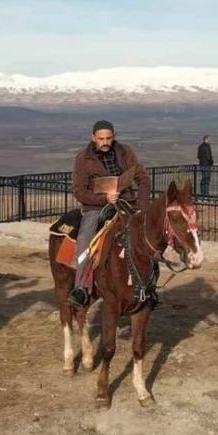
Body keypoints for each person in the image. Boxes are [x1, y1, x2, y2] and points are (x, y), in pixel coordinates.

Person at [67, 119, 151, 307]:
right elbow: (79, 191)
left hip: (127, 203)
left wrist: (142, 208)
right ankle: (80, 287)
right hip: (97, 209)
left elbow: (143, 178)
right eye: (101, 139)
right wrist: (104, 199)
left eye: (109, 138)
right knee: (85, 240)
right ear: (93, 137)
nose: (105, 142)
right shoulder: (83, 159)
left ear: (114, 137)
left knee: (147, 237)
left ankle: (148, 284)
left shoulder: (126, 152)